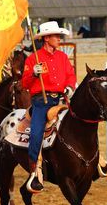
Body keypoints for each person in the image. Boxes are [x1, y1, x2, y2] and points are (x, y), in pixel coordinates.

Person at [22, 21, 76, 193]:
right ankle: (34, 171)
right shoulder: (33, 59)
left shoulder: (63, 57)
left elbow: (71, 75)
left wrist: (69, 86)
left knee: (80, 120)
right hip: (41, 102)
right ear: (46, 38)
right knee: (36, 132)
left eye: (59, 35)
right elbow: (24, 83)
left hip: (60, 99)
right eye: (55, 36)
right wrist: (33, 74)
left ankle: (95, 160)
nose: (59, 39)